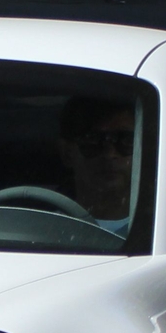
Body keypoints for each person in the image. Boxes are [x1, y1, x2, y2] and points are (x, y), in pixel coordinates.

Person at [58, 95, 137, 232]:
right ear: (67, 152)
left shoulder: (164, 224)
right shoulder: (40, 225)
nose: (109, 154)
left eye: (126, 140)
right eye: (92, 140)